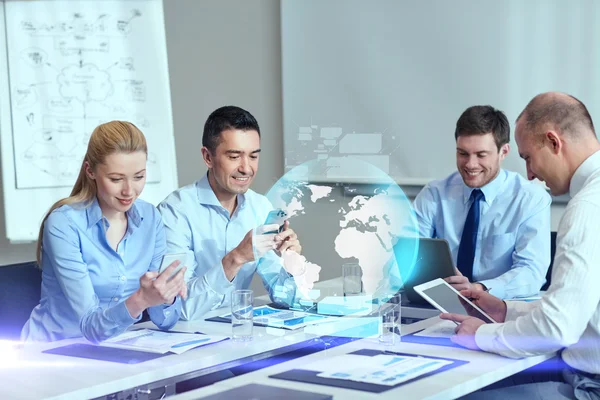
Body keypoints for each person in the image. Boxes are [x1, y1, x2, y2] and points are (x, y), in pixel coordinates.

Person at [441, 92, 600, 399]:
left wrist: (481, 335)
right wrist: (505, 310)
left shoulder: (588, 208)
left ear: (554, 142)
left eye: (528, 158)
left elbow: (558, 327)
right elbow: (579, 308)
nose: (529, 174)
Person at [22, 121, 187, 343]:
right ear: (90, 170)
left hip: (117, 348)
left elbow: (164, 320)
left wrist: (165, 296)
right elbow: (91, 327)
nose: (129, 190)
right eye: (116, 179)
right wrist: (141, 299)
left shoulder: (151, 218)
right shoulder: (64, 224)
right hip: (54, 351)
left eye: (138, 177)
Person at [158, 106, 306, 321]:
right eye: (234, 156)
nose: (246, 168)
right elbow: (179, 309)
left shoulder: (260, 207)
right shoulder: (175, 212)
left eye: (253, 156)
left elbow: (287, 299)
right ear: (208, 157)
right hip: (187, 337)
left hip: (237, 332)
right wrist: (235, 258)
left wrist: (291, 265)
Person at [413, 105, 551, 299]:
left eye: (481, 155)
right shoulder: (434, 194)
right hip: (441, 303)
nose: (470, 164)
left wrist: (478, 289)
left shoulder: (530, 199)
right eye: (463, 153)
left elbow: (531, 273)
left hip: (503, 309)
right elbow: (407, 256)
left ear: (503, 152)